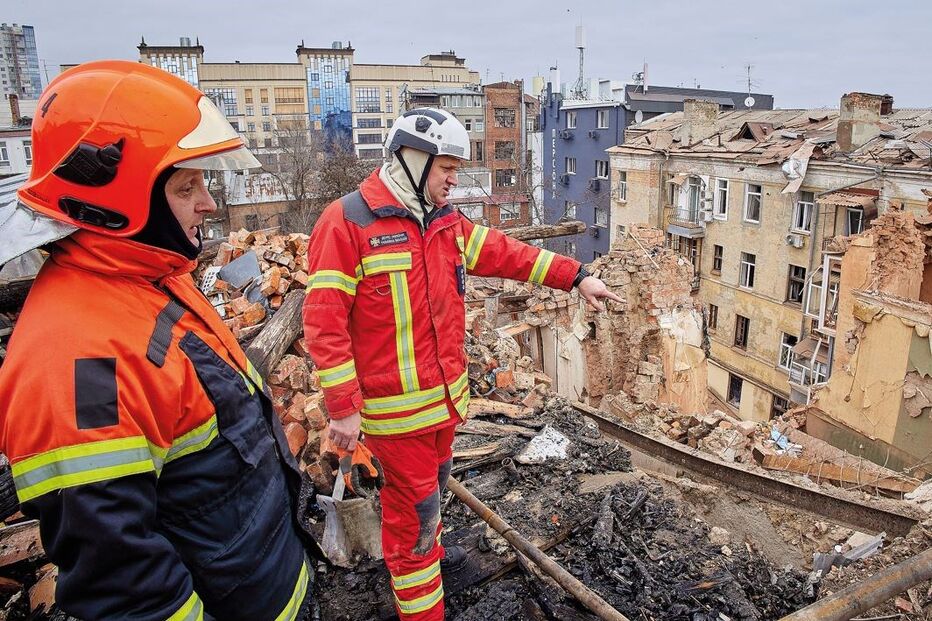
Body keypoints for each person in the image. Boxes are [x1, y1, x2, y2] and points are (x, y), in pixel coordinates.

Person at [0, 60, 322, 621]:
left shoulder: (151, 277)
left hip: (265, 585)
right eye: (186, 186)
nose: (209, 203)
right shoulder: (79, 360)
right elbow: (127, 587)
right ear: (121, 202)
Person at [303, 107, 621, 620]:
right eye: (445, 167)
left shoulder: (446, 223)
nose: (454, 177)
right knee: (413, 527)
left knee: (430, 507)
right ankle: (422, 603)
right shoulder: (347, 224)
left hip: (445, 409)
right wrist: (342, 408)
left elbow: (507, 253)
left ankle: (429, 557)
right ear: (410, 159)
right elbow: (324, 322)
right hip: (397, 420)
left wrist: (576, 275)